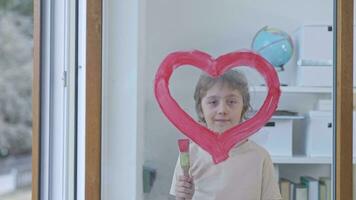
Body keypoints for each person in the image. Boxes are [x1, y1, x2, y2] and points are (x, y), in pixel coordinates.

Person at [169, 70, 282, 200]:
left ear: (243, 108)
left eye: (231, 102)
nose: (222, 110)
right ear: (201, 109)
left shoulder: (260, 156)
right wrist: (182, 197)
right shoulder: (189, 154)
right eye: (213, 102)